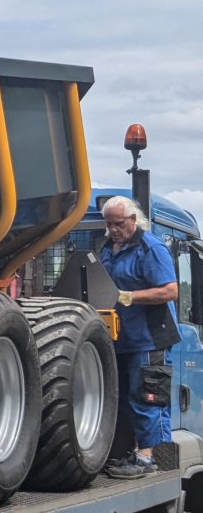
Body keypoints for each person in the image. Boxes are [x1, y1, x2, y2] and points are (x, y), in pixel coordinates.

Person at [98, 196, 179, 478]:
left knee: (147, 397)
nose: (113, 229)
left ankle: (153, 459)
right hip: (119, 338)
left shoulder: (151, 247)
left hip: (149, 337)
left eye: (118, 224)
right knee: (120, 399)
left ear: (133, 220)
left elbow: (170, 291)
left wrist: (130, 296)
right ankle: (126, 454)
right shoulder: (108, 248)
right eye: (109, 224)